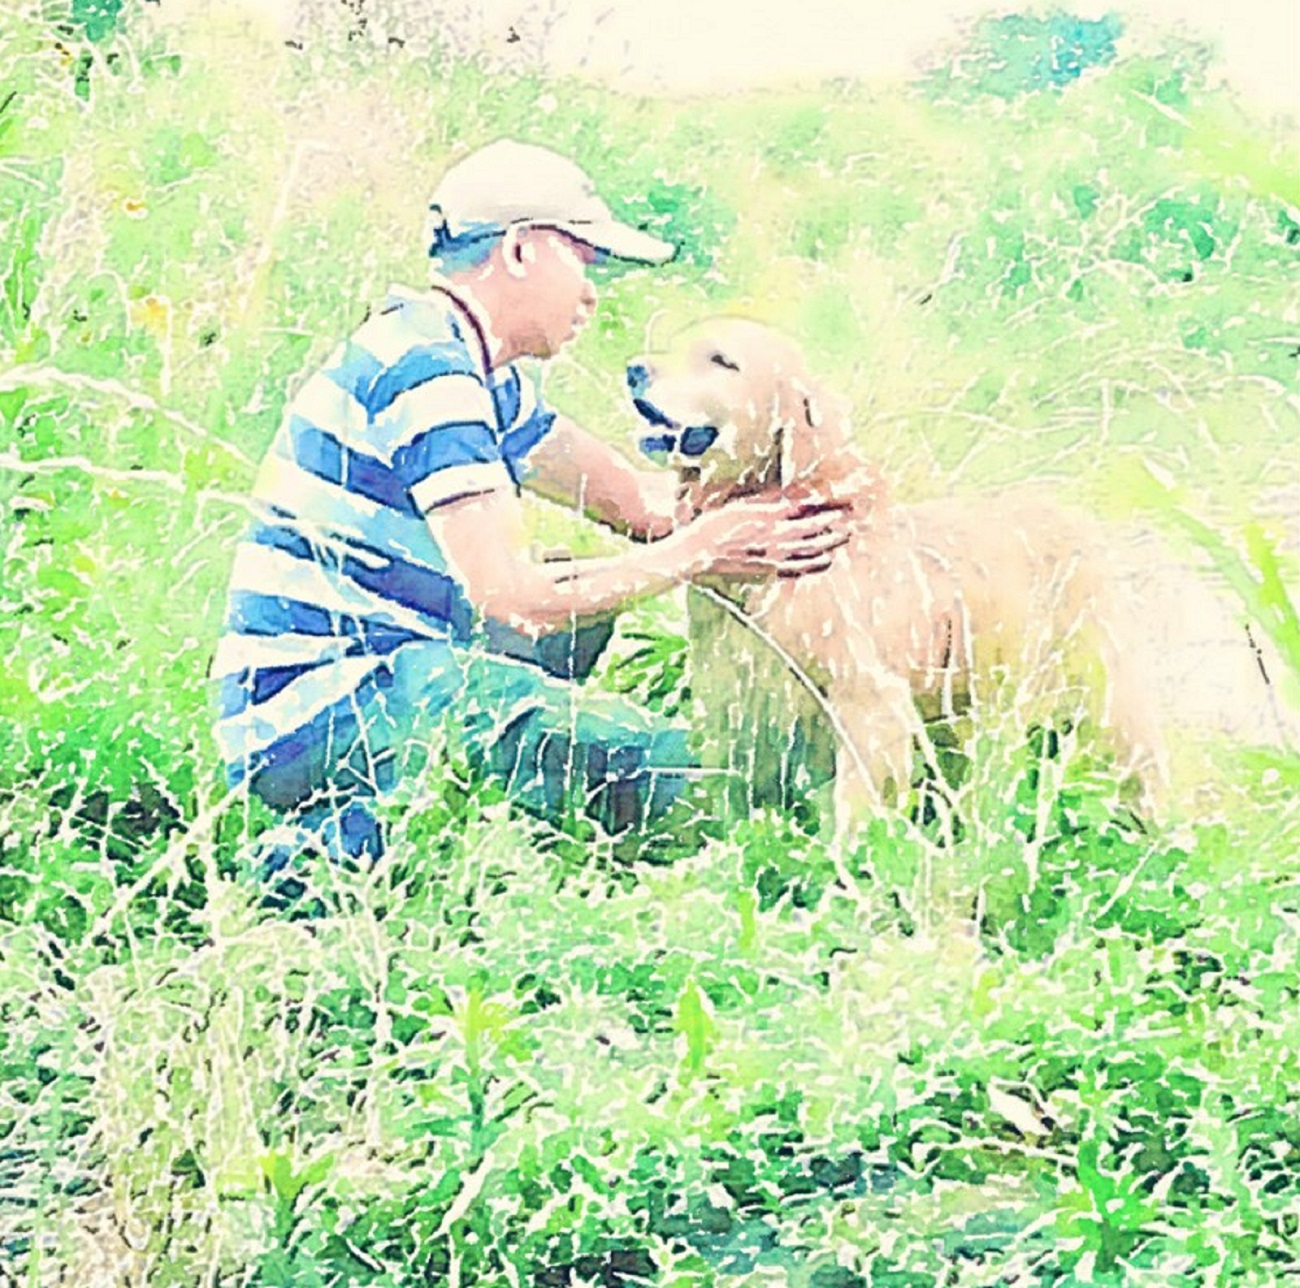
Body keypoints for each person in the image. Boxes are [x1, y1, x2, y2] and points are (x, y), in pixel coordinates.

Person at [212, 139, 847, 866]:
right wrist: (702, 551)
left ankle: (399, 820)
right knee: (691, 778)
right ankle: (323, 857)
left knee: (576, 615)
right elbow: (512, 600)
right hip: (321, 702)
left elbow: (642, 510)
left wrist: (789, 503)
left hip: (378, 674)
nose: (592, 291)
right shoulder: (428, 375)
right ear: (519, 251)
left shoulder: (480, 375)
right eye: (584, 259)